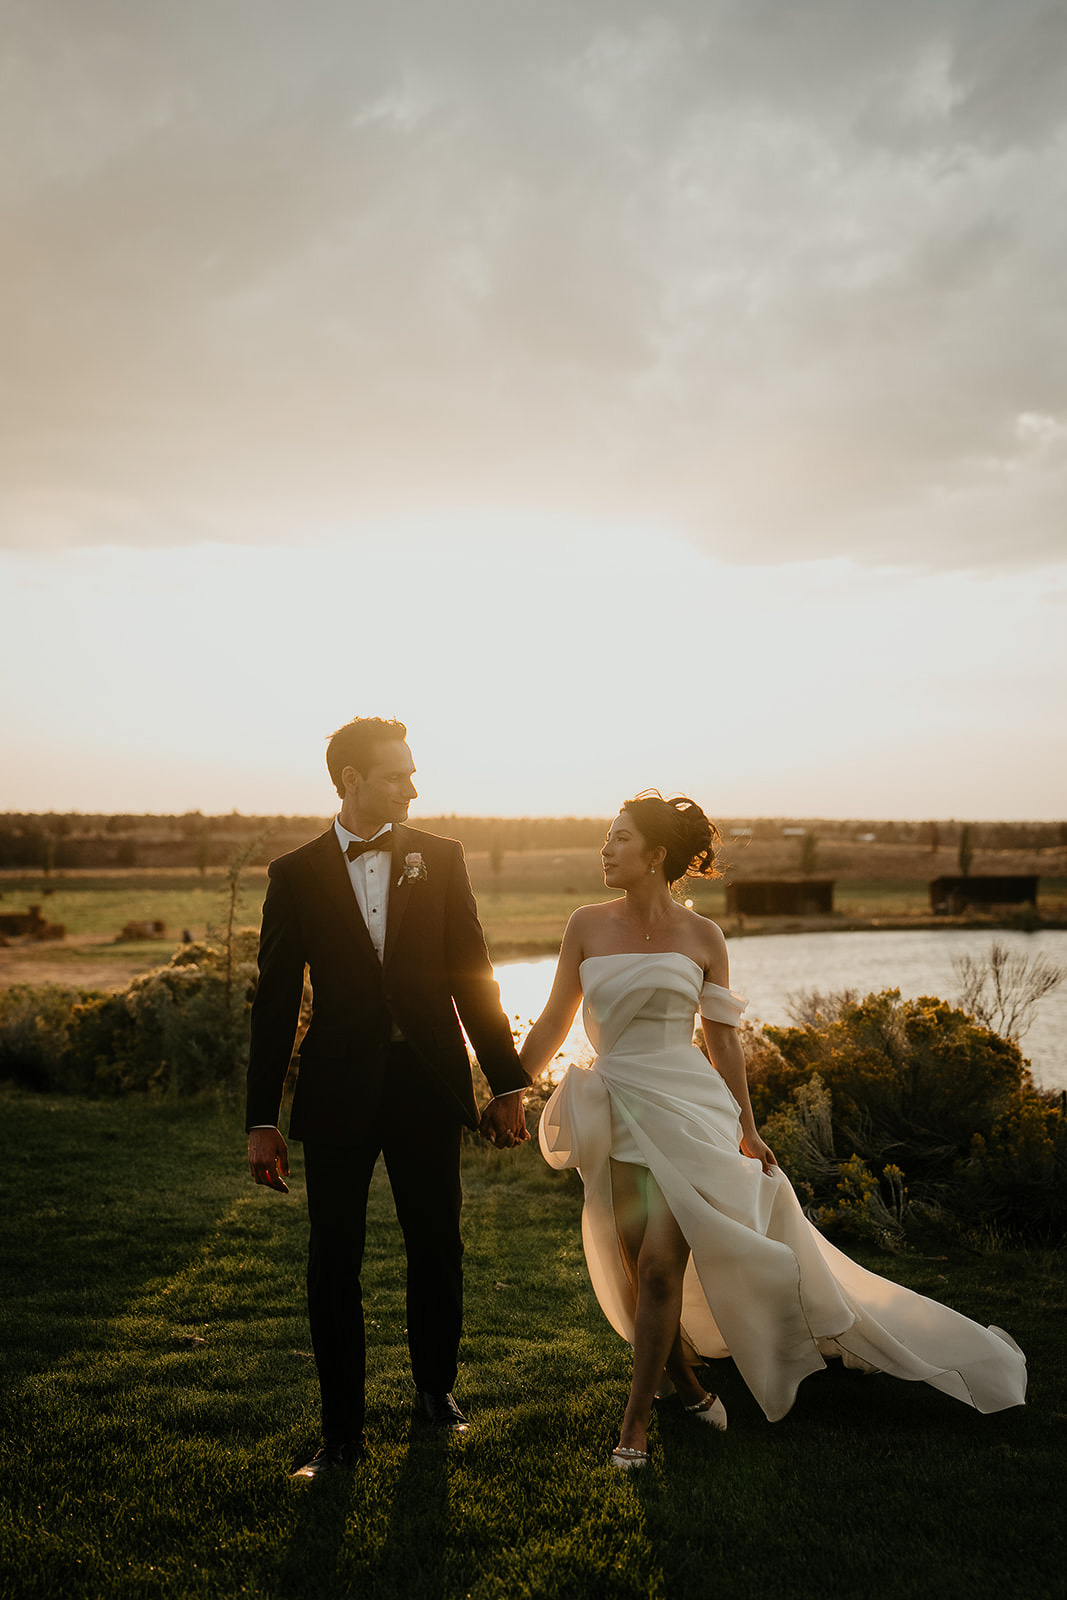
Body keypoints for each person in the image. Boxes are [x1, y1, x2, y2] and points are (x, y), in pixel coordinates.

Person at [520, 792, 1027, 1470]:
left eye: (617, 839)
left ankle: (633, 1429)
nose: (604, 851)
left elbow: (723, 1043)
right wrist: (506, 1087)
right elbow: (554, 1020)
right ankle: (694, 1392)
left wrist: (747, 1130)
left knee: (657, 1268)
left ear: (655, 854)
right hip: (616, 1110)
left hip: (688, 1109)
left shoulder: (704, 938)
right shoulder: (584, 924)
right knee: (636, 1272)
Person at [246, 716, 530, 1480]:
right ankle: (340, 1433)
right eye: (397, 774)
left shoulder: (441, 859)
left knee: (436, 1245)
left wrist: (504, 1082)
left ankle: (435, 1393)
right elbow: (274, 1003)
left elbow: (473, 971)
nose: (413, 785)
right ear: (350, 781)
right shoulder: (295, 874)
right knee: (331, 1259)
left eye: (411, 771)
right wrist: (262, 1118)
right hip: (337, 1087)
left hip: (426, 1084)